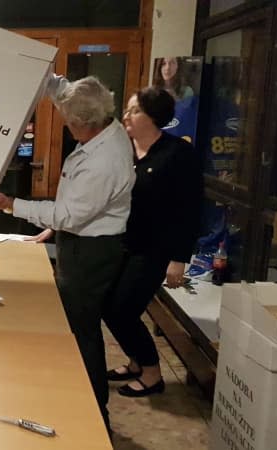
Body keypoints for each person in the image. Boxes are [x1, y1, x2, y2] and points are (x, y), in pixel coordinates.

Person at [0, 74, 135, 430]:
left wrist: (11, 204)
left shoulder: (105, 161)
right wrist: (33, 69)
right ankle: (80, 400)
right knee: (76, 324)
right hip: (82, 239)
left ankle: (96, 417)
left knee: (82, 331)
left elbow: (68, 214)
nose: (67, 128)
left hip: (92, 251)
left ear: (85, 123)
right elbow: (63, 89)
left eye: (70, 124)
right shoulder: (100, 115)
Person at [103, 87, 203, 396]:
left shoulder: (177, 154)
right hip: (122, 243)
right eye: (128, 110)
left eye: (134, 111)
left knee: (123, 310)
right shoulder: (123, 150)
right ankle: (135, 362)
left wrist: (179, 258)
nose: (126, 116)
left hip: (155, 248)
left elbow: (190, 209)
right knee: (109, 307)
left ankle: (151, 373)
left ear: (153, 117)